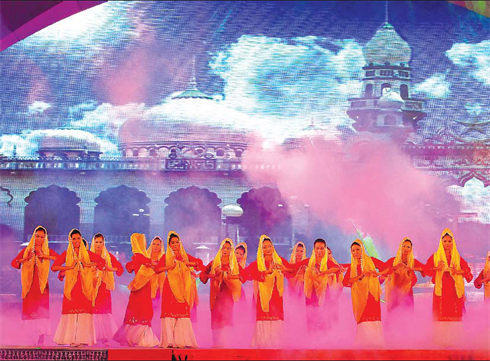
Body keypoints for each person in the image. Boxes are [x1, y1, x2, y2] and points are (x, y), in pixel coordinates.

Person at [52, 229, 104, 347]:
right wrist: (69, 267)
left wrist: (87, 265)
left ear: (81, 239)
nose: (76, 241)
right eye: (74, 239)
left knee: (84, 312)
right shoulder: (67, 254)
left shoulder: (87, 254)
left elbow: (102, 263)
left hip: (85, 287)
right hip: (72, 288)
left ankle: (82, 339)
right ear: (70, 240)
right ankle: (71, 339)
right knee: (72, 313)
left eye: (78, 238)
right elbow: (54, 267)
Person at [246, 235, 298, 349]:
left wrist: (284, 269)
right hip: (263, 294)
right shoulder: (258, 263)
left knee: (276, 315)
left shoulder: (279, 260)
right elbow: (247, 274)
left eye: (270, 246)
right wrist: (266, 272)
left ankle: (276, 342)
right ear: (261, 249)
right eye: (265, 247)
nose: (268, 249)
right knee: (263, 315)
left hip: (276, 293)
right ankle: (262, 341)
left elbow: (293, 270)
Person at [11, 226, 59, 345]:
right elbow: (14, 263)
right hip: (29, 286)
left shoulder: (47, 250)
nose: (39, 239)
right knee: (29, 309)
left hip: (42, 286)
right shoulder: (26, 251)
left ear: (45, 239)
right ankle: (28, 336)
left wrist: (45, 256)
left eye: (42, 237)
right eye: (37, 236)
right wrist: (25, 259)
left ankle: (41, 336)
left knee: (41, 310)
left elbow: (59, 259)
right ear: (34, 236)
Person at [425, 228, 473, 347]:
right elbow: (426, 270)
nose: (447, 243)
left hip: (454, 290)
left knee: (454, 312)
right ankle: (441, 342)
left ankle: (455, 341)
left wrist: (457, 271)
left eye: (449, 241)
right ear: (441, 242)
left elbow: (468, 272)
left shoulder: (457, 257)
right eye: (445, 241)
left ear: (453, 242)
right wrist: (438, 268)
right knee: (441, 312)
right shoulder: (436, 256)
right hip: (441, 290)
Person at [155, 231, 204, 349]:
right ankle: (169, 342)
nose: (175, 244)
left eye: (177, 242)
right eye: (173, 243)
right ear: (169, 244)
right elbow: (157, 269)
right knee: (169, 313)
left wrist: (188, 263)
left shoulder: (184, 256)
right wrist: (170, 267)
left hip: (182, 288)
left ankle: (183, 341)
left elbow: (200, 264)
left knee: (182, 313)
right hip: (170, 287)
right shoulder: (166, 257)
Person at [113, 233, 160, 347]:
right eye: (142, 241)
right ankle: (143, 339)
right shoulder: (141, 256)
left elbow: (129, 268)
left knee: (135, 312)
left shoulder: (136, 257)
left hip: (137, 289)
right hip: (143, 288)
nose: (144, 243)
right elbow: (152, 265)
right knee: (144, 311)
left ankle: (131, 338)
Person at [199, 238, 244, 348]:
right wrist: (214, 275)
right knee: (216, 317)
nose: (226, 250)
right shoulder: (214, 263)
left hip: (228, 295)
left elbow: (243, 276)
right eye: (224, 248)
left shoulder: (233, 264)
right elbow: (202, 276)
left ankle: (227, 342)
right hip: (216, 295)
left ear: (231, 250)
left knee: (227, 317)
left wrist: (230, 276)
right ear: (221, 248)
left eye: (228, 248)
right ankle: (216, 343)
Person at [343, 239, 386, 348]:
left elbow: (387, 268)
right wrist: (361, 275)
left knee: (373, 317)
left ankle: (376, 344)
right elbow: (346, 281)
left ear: (362, 249)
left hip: (372, 294)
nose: (355, 252)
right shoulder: (352, 267)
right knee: (363, 318)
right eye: (353, 250)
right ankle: (364, 345)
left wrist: (377, 274)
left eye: (358, 249)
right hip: (359, 297)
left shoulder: (371, 260)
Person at [90, 233, 124, 345]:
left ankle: (105, 338)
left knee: (104, 312)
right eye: (96, 242)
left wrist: (109, 269)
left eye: (100, 242)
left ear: (103, 243)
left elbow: (119, 269)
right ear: (93, 243)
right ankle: (92, 337)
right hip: (92, 286)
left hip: (104, 287)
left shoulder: (108, 256)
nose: (98, 244)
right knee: (92, 311)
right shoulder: (88, 255)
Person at [304, 239, 339, 333]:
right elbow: (293, 267)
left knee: (325, 317)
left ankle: (325, 343)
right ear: (314, 249)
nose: (319, 251)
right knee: (311, 318)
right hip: (311, 293)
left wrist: (323, 272)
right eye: (317, 248)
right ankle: (311, 342)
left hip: (324, 293)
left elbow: (336, 268)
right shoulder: (308, 262)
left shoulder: (327, 262)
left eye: (322, 248)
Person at [383, 238, 426, 313]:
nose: (406, 249)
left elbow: (424, 269)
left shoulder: (412, 262)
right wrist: (395, 268)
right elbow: (384, 271)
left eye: (408, 247)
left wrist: (412, 268)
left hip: (407, 295)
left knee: (407, 317)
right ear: (400, 247)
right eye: (404, 246)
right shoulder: (393, 261)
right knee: (393, 317)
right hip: (394, 295)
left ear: (411, 249)